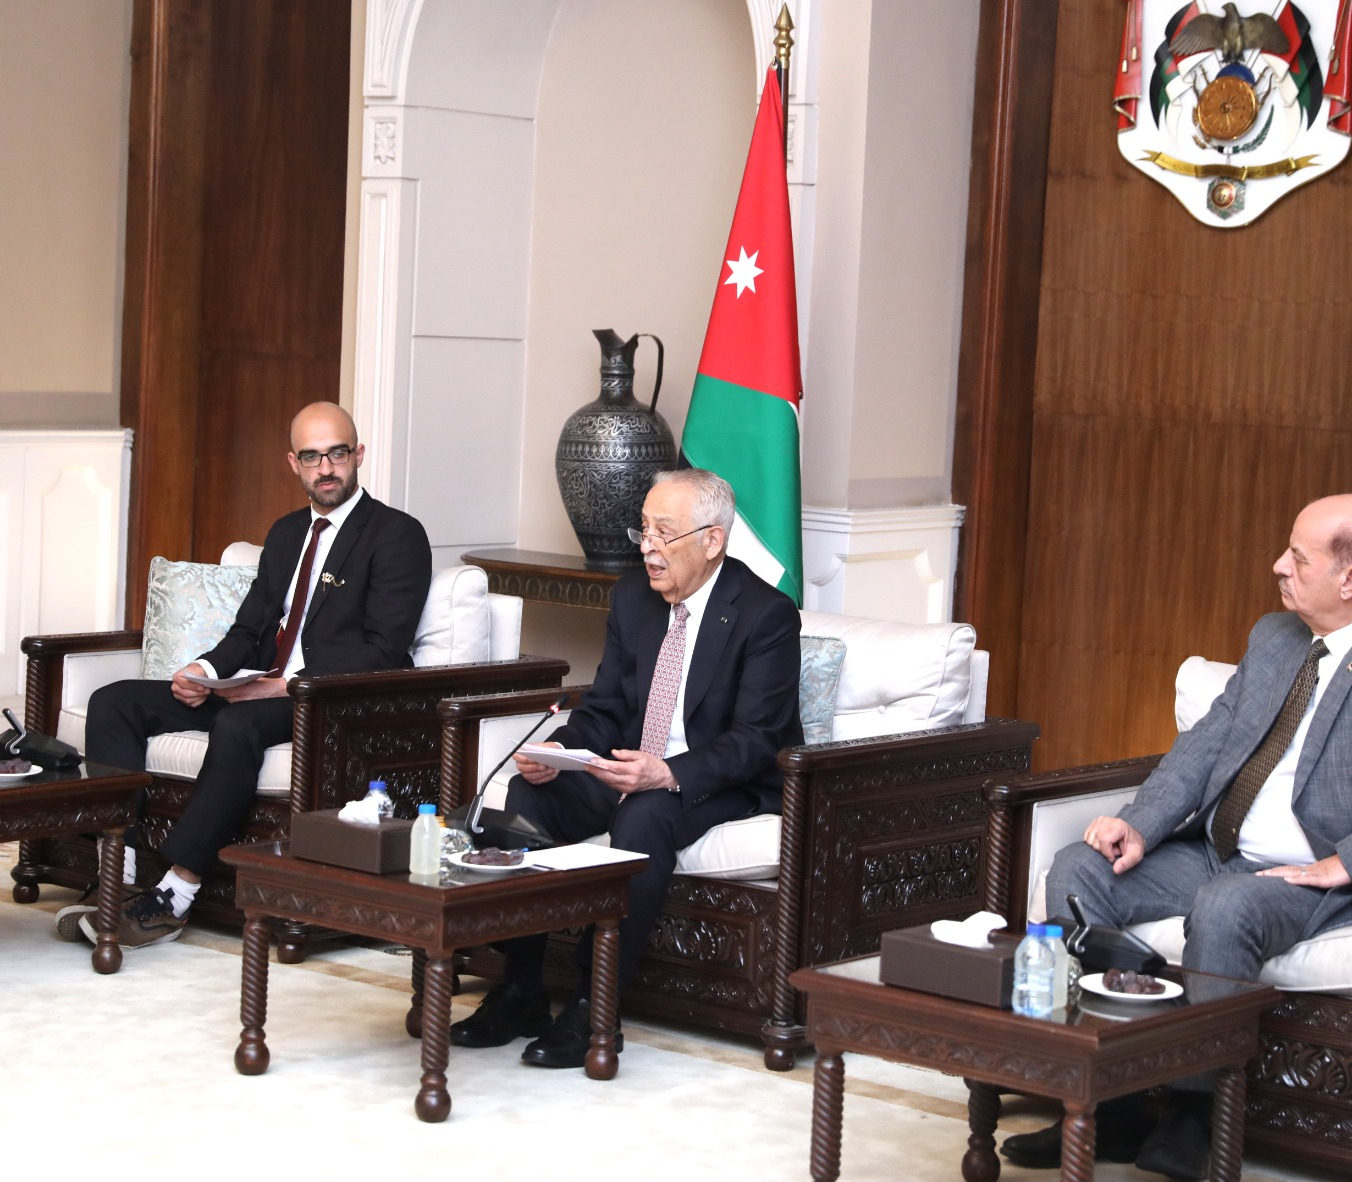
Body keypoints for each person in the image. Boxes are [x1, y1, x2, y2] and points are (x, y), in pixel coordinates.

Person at [1001, 494, 1352, 1178]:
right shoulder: (1275, 639)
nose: (1278, 566)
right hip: (1222, 855)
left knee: (1228, 904)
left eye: (1298, 557)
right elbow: (1204, 745)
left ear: (1351, 579)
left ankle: (1195, 1114)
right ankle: (1109, 1101)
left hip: (1314, 883)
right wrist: (1140, 824)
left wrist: (1346, 862)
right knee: (1078, 869)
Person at [449, 467, 801, 1068]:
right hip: (627, 764)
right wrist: (559, 752)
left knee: (644, 814)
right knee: (528, 800)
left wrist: (667, 773)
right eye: (644, 530)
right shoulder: (633, 598)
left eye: (665, 533)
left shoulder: (764, 613)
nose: (648, 548)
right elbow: (606, 707)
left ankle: (595, 1004)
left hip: (720, 780)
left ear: (712, 541)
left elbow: (756, 739)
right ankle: (522, 989)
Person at [64, 401, 432, 950]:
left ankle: (175, 895)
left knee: (236, 726)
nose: (326, 468)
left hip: (328, 700)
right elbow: (248, 629)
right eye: (312, 457)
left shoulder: (396, 534)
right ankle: (123, 874)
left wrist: (284, 686)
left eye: (336, 453)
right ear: (293, 463)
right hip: (257, 684)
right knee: (115, 701)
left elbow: (383, 650)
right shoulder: (286, 534)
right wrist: (204, 670)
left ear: (358, 455)